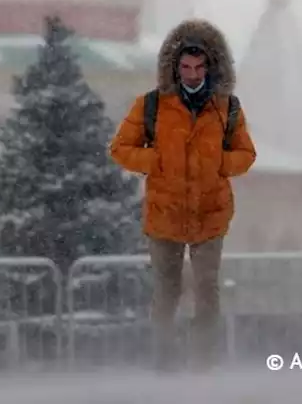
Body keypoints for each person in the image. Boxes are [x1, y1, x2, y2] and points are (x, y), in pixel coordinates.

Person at [108, 19, 257, 372]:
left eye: (198, 66)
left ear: (210, 66)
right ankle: (164, 362)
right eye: (185, 67)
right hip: (165, 214)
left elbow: (246, 155)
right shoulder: (151, 107)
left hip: (210, 214)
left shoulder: (227, 108)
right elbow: (120, 148)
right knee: (166, 293)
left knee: (207, 291)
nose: (191, 74)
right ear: (175, 67)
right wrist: (154, 160)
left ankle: (204, 362)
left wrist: (220, 162)